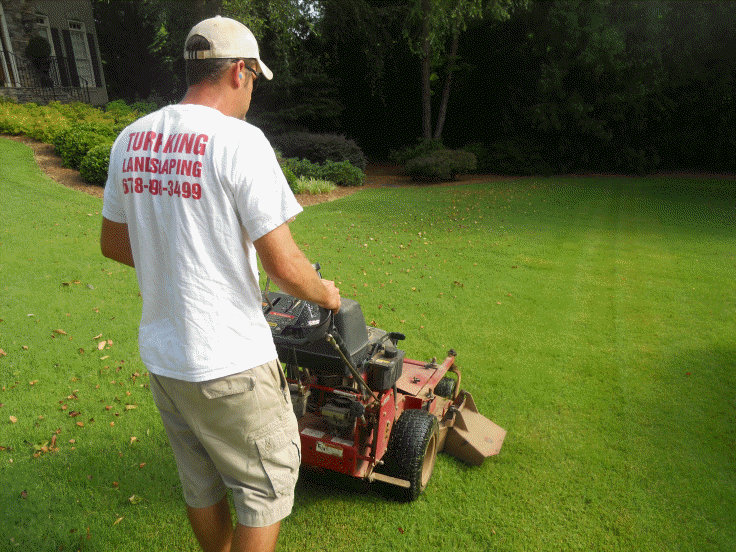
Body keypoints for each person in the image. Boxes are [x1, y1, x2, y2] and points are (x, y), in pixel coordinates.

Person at [100, 16, 340, 552]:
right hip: (231, 360)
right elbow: (283, 265)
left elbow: (114, 245)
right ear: (239, 71)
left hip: (165, 357)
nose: (252, 91)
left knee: (200, 481)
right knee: (265, 487)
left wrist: (175, 261)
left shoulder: (130, 139)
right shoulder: (240, 141)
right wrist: (327, 294)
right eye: (254, 79)